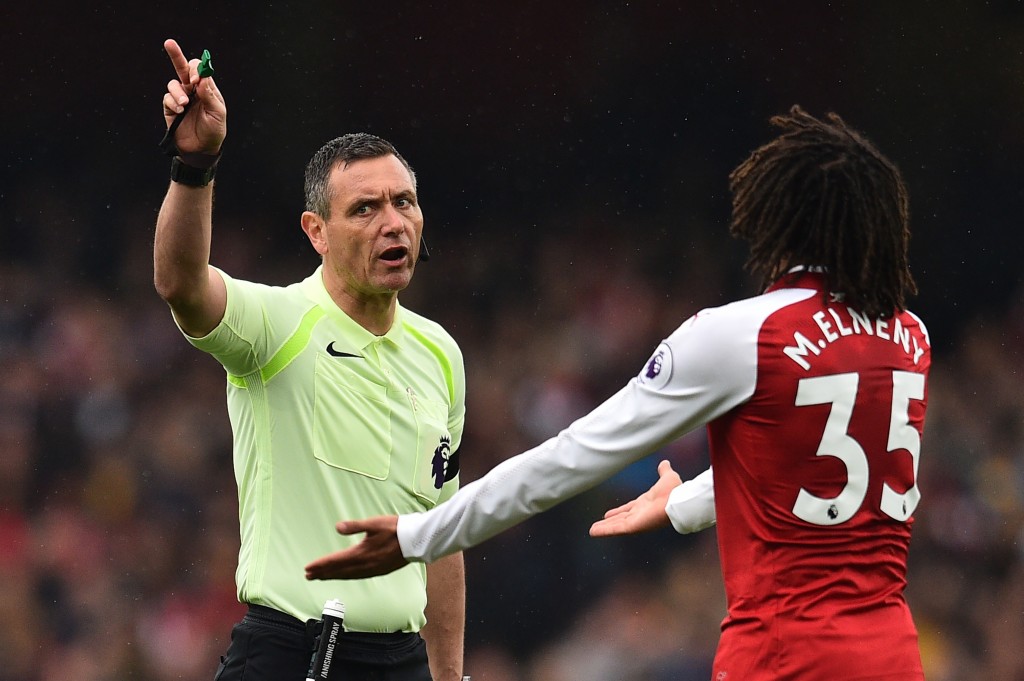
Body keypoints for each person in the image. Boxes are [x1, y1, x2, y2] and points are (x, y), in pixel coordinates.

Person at [305, 106, 931, 680]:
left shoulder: (740, 334)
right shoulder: (910, 337)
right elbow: (818, 469)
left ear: (780, 219)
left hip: (782, 657)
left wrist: (420, 535)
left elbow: (574, 455)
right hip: (893, 652)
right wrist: (685, 501)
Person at [153, 39, 467, 681]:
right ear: (315, 231)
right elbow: (181, 282)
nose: (394, 222)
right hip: (293, 655)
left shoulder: (442, 354)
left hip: (404, 663)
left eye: (404, 201)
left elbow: (443, 533)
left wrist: (450, 673)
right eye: (365, 208)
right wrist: (195, 166)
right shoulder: (276, 324)